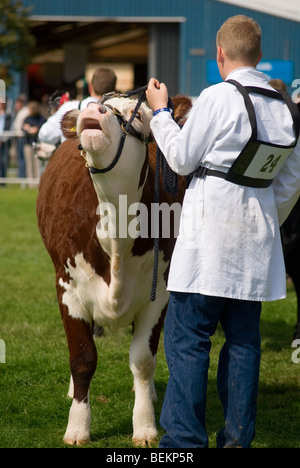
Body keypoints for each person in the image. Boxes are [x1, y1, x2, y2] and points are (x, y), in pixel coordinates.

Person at [146, 15, 300, 448]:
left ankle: (183, 443)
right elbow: (290, 182)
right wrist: (264, 216)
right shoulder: (285, 108)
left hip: (207, 241)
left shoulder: (215, 97)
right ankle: (237, 440)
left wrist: (160, 111)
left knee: (189, 339)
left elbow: (179, 157)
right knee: (244, 343)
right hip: (256, 248)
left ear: (219, 54)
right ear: (259, 55)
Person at [38, 67, 117, 146]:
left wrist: (60, 111)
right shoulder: (119, 112)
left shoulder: (69, 108)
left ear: (90, 87)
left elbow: (44, 135)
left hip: (72, 156)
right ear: (114, 90)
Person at [22, 101, 46, 185]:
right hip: (28, 143)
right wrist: (29, 129)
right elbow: (23, 127)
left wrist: (34, 129)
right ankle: (30, 182)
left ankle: (37, 182)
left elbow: (40, 127)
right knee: (29, 163)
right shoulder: (27, 118)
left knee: (37, 164)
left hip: (37, 144)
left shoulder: (41, 118)